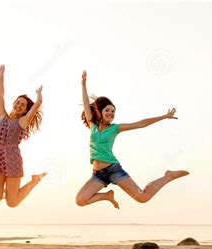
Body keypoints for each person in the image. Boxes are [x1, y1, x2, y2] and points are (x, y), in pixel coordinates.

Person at [76, 71, 189, 208]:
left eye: (113, 111)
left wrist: (163, 116)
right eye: (108, 110)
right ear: (100, 111)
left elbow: (140, 123)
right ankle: (107, 196)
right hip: (97, 175)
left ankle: (168, 176)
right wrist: (83, 84)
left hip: (113, 170)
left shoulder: (115, 128)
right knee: (80, 200)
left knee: (142, 197)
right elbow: (86, 103)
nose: (111, 113)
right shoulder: (92, 125)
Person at [0, 65, 46, 207]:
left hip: (12, 160)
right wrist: (1, 77)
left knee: (12, 202)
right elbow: (0, 95)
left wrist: (39, 97)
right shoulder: (3, 116)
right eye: (18, 102)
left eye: (23, 105)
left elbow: (37, 104)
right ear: (14, 103)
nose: (19, 105)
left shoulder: (22, 121)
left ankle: (34, 181)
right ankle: (9, 191)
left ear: (25, 110)